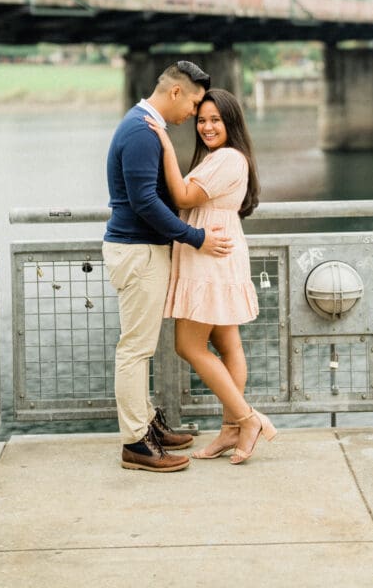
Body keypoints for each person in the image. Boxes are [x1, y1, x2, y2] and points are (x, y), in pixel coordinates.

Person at [102, 60, 234, 473]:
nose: (195, 114)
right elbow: (145, 202)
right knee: (135, 349)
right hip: (138, 250)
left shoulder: (142, 126)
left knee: (138, 347)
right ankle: (137, 444)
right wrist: (196, 238)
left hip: (141, 249)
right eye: (195, 104)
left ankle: (147, 426)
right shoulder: (142, 132)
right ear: (176, 92)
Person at [144, 87, 277, 465]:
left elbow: (185, 197)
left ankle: (247, 420)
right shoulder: (223, 158)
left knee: (189, 345)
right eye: (201, 120)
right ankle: (230, 431)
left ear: (231, 122)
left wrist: (167, 147)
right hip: (214, 249)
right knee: (228, 344)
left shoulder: (229, 159)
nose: (206, 127)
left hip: (210, 254)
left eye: (215, 120)